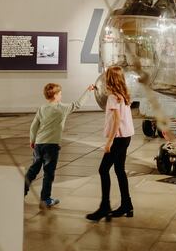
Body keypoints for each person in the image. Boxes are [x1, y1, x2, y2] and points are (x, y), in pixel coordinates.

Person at [25, 82, 94, 208]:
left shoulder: (42, 108)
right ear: (55, 95)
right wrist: (88, 91)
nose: (61, 96)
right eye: (60, 93)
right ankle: (45, 199)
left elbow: (34, 126)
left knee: (33, 170)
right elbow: (77, 104)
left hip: (39, 144)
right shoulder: (62, 108)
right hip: (51, 146)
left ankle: (21, 192)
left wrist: (32, 140)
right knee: (48, 172)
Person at [86, 66, 135, 222]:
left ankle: (104, 207)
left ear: (111, 79)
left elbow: (116, 121)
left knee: (103, 170)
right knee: (119, 170)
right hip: (126, 137)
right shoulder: (123, 95)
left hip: (118, 138)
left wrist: (109, 142)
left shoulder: (114, 97)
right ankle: (127, 204)